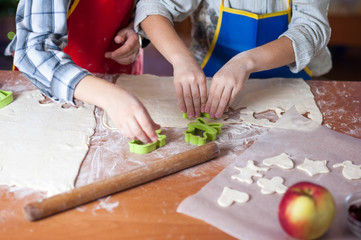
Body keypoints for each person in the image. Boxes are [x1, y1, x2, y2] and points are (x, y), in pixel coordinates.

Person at [135, 0, 332, 119]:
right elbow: (153, 6)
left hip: (289, 85)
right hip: (208, 84)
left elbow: (311, 29)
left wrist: (245, 62)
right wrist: (180, 59)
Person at [5, 0, 159, 143]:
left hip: (122, 78)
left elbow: (150, 5)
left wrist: (136, 31)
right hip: (55, 86)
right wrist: (109, 96)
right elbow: (32, 51)